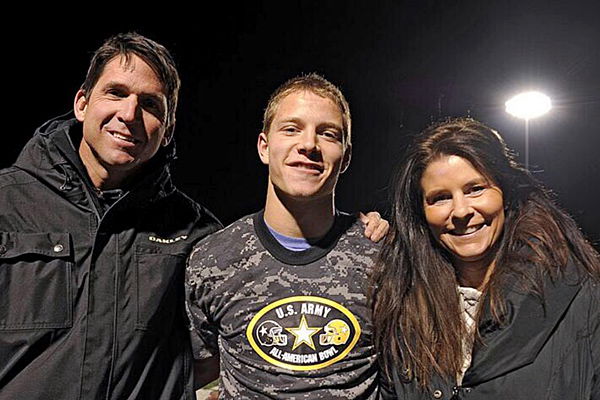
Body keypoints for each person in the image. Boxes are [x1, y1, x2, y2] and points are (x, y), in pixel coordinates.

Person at [0, 33, 222, 399]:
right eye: (116, 93)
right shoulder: (8, 204)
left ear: (167, 130)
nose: (129, 114)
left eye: (151, 105)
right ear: (82, 103)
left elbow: (234, 344)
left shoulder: (198, 235)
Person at [372, 117, 600, 399]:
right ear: (421, 214)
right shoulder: (401, 307)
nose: (461, 211)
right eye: (441, 197)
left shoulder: (582, 296)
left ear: (505, 192)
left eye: (475, 189)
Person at [186, 73, 383, 399]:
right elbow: (195, 369)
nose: (308, 144)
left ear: (346, 157)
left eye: (328, 133)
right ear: (264, 147)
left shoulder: (383, 254)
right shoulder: (211, 260)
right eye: (291, 129)